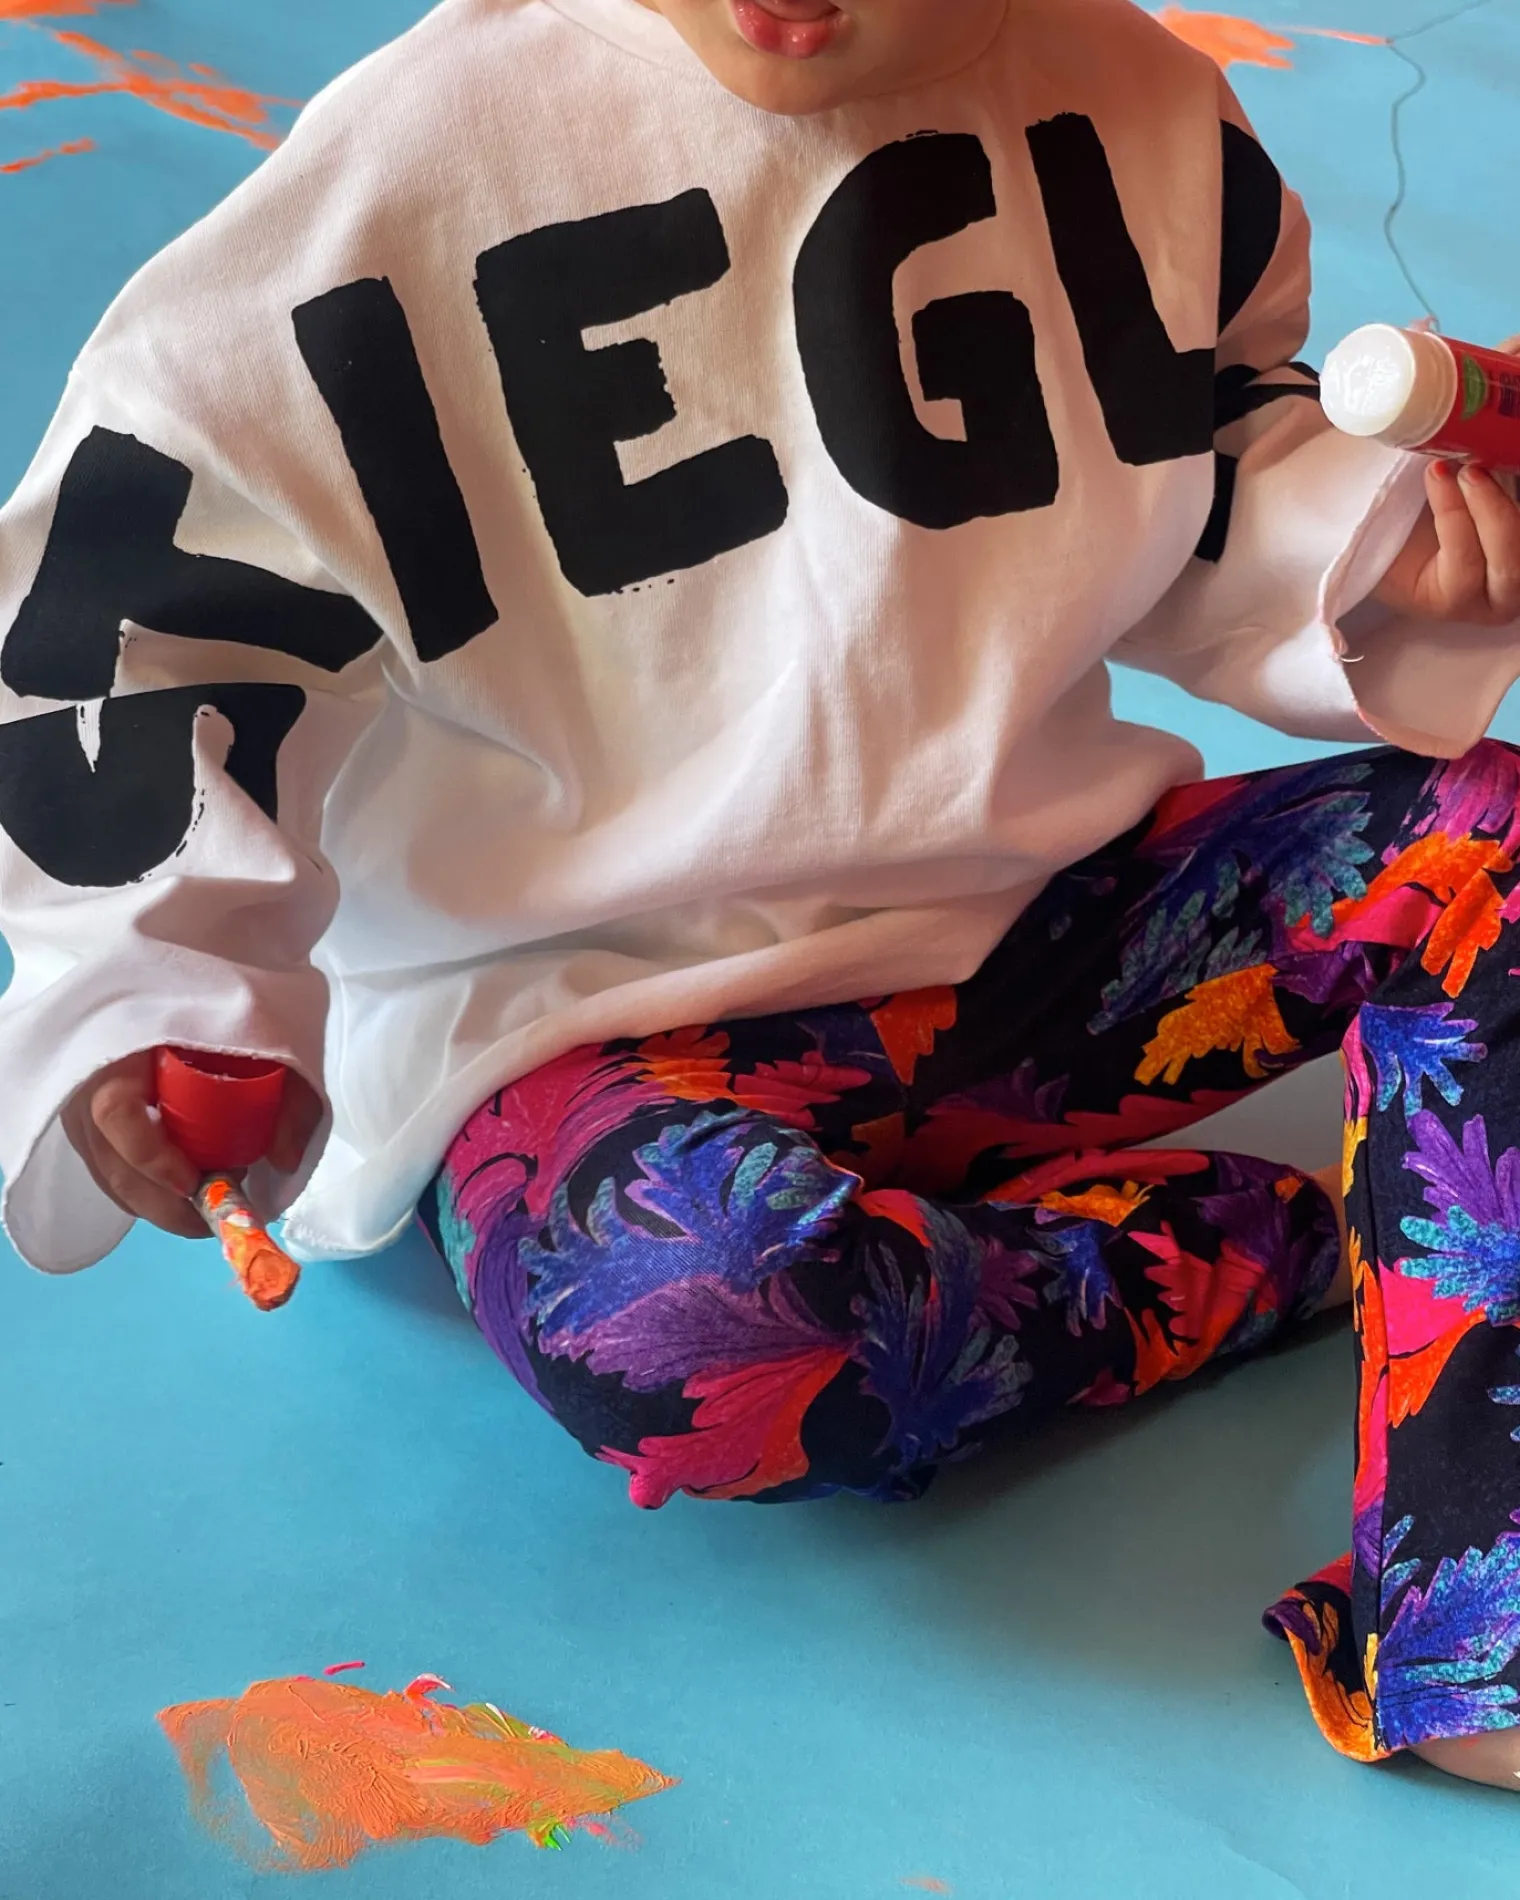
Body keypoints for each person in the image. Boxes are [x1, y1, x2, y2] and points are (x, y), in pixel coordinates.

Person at [3, 0, 1520, 1786]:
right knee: (688, 1330)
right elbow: (138, 623)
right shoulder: (391, 183)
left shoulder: (1147, 115)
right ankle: (1221, 1255)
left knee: (1492, 837)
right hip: (563, 1029)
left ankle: (1475, 1614)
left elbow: (1198, 457)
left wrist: (1395, 535)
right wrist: (160, 986)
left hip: (1036, 926)